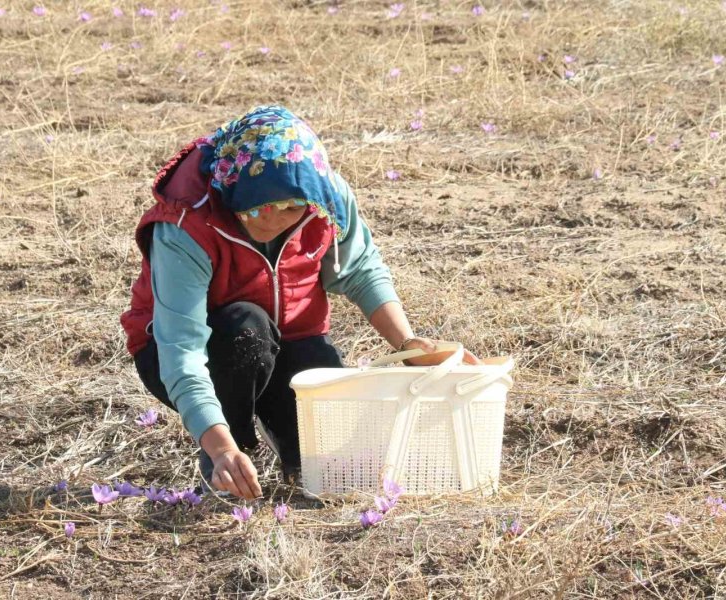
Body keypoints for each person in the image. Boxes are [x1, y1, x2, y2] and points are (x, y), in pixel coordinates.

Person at [121, 106, 479, 500]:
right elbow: (182, 351)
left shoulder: (321, 197)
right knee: (246, 327)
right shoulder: (186, 225)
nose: (276, 219)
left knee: (328, 460)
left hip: (292, 340)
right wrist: (221, 447)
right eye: (257, 208)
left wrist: (408, 343)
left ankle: (283, 446)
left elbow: (360, 269)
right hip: (194, 351)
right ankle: (232, 454)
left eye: (291, 208)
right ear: (232, 191)